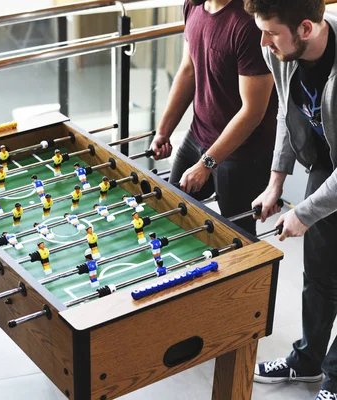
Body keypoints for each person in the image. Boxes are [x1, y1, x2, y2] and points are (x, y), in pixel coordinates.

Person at [245, 1, 337, 398]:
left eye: (270, 31)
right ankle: (306, 362)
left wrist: (306, 211)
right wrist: (275, 183)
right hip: (326, 162)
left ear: (305, 27)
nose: (262, 41)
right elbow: (288, 111)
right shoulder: (276, 49)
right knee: (318, 274)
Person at [148, 0, 278, 236]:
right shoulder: (193, 5)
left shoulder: (248, 24)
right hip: (198, 135)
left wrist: (206, 163)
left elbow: (253, 112)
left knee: (237, 239)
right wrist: (163, 131)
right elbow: (188, 70)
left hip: (243, 154)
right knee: (169, 213)